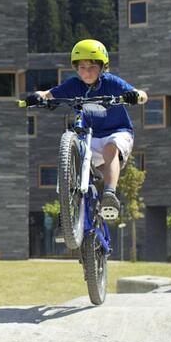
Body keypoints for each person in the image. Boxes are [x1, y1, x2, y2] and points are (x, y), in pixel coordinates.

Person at [25, 39, 147, 221]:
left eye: (92, 67)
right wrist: (37, 97)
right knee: (72, 158)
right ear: (76, 68)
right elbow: (49, 94)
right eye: (82, 67)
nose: (87, 72)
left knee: (110, 148)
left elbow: (142, 95)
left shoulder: (111, 82)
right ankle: (68, 215)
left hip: (117, 132)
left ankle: (109, 195)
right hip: (90, 137)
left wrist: (135, 96)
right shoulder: (74, 85)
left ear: (102, 67)